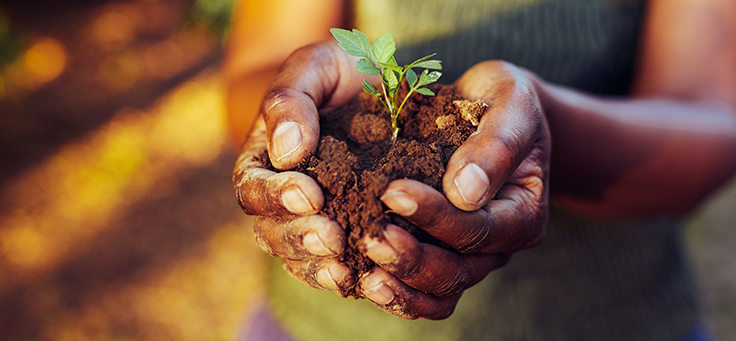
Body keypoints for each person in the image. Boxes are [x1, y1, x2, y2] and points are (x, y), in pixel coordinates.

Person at [225, 0, 736, 340]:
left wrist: (544, 125)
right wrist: (293, 112)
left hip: (613, 319)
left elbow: (712, 121)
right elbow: (254, 72)